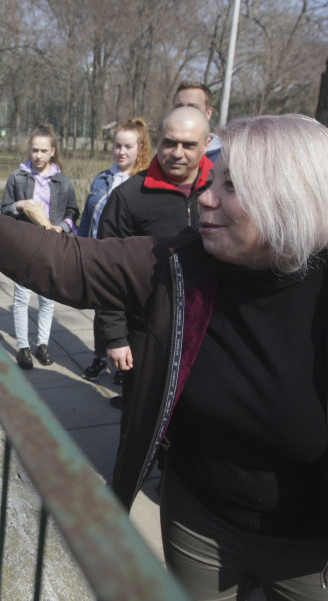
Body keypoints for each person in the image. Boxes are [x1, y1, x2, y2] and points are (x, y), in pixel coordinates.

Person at [0, 115, 328, 601]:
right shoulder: (179, 263)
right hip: (200, 525)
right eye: (213, 180)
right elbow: (62, 261)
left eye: (232, 187)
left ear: (293, 199)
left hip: (322, 555)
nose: (206, 198)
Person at [92, 107, 213, 409]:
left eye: (189, 145)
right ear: (158, 140)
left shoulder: (224, 190)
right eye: (170, 142)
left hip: (209, 332)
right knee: (141, 422)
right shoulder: (130, 196)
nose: (177, 153)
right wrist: (115, 335)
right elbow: (107, 271)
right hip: (146, 332)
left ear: (207, 144)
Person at [76, 118, 153, 383]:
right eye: (118, 146)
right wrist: (81, 247)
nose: (121, 151)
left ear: (140, 148)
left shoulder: (143, 183)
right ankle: (100, 356)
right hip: (100, 257)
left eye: (128, 146)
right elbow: (87, 218)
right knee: (102, 311)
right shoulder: (102, 179)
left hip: (128, 262)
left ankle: (124, 365)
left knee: (127, 314)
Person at [0, 124, 79, 369]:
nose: (38, 156)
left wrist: (62, 228)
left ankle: (42, 345)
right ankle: (23, 347)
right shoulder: (18, 176)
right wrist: (19, 205)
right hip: (24, 247)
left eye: (44, 150)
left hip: (50, 247)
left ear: (52, 151)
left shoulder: (63, 181)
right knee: (22, 298)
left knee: (47, 299)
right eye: (35, 150)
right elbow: (5, 209)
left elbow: (72, 212)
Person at [174, 81, 222, 161]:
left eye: (193, 108)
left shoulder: (223, 158)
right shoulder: (163, 156)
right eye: (179, 107)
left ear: (208, 113)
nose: (184, 112)